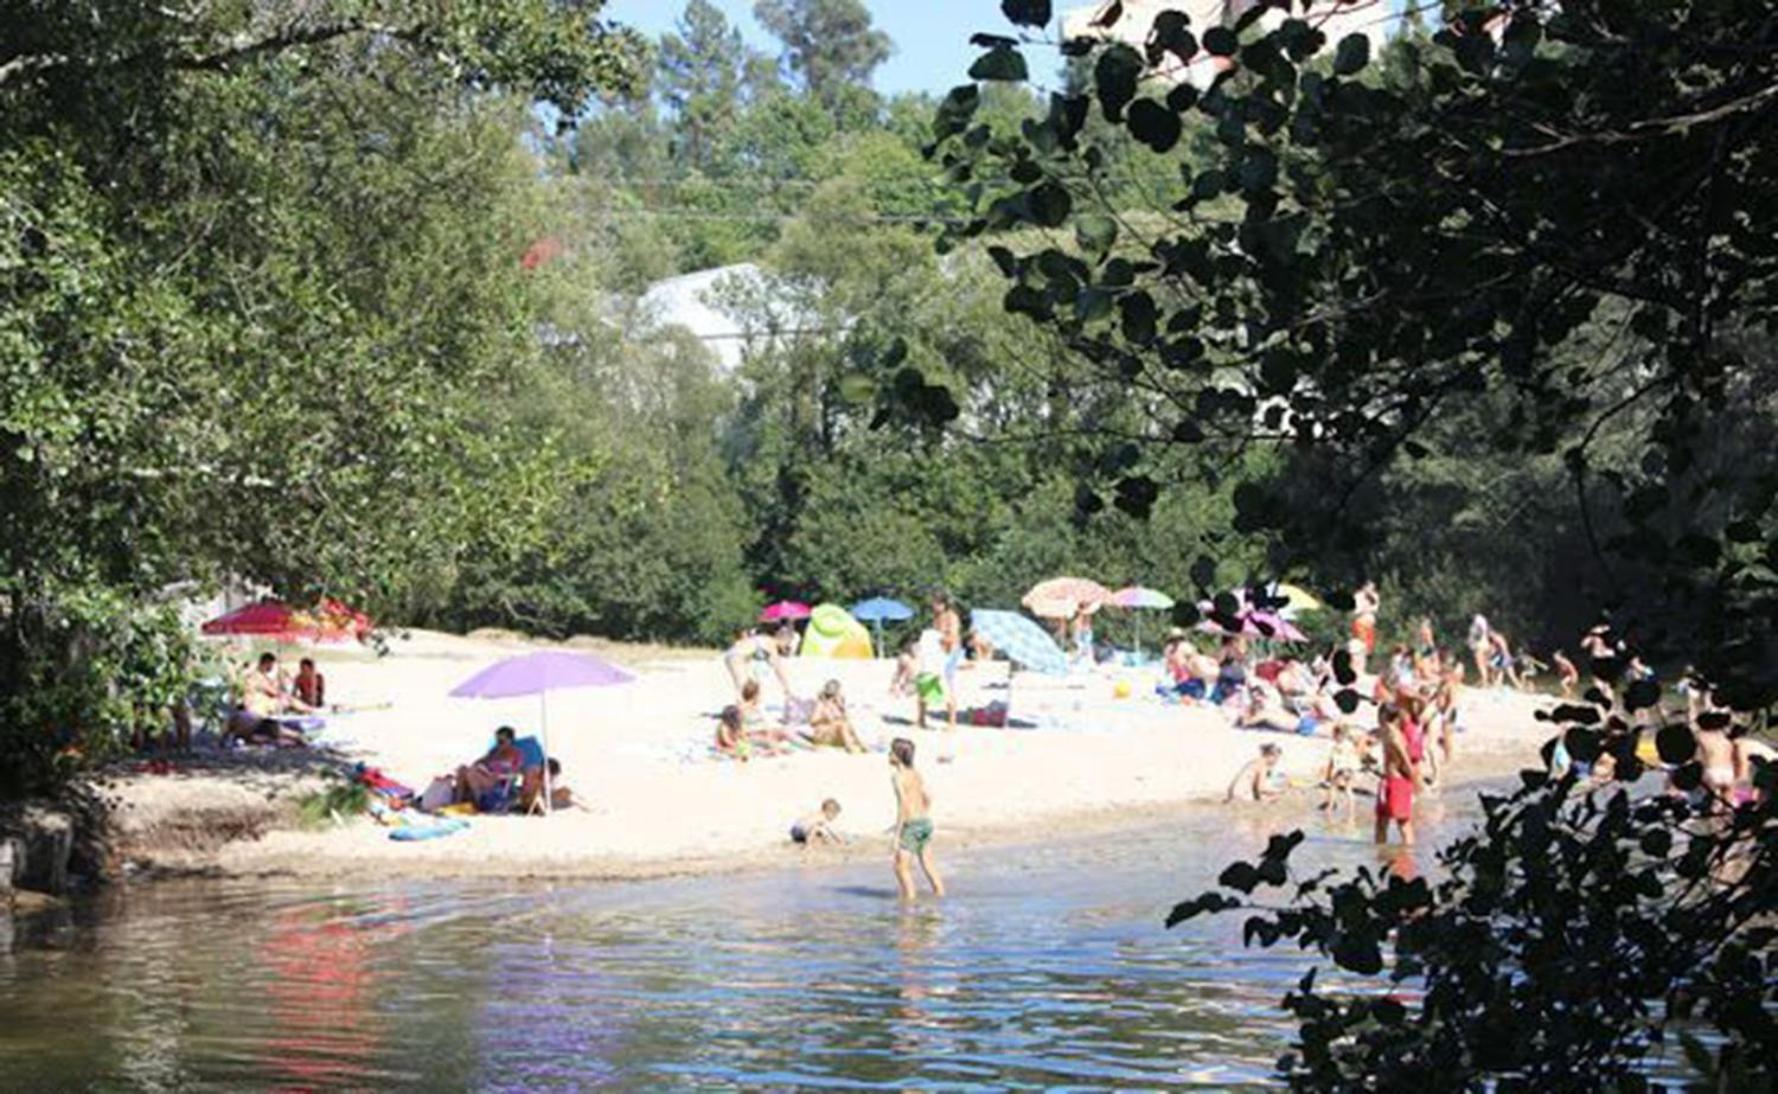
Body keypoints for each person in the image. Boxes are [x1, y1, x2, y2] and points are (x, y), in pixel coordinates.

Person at [889, 737, 944, 899]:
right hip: (924, 822)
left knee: (901, 867)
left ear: (897, 756)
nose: (888, 755)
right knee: (928, 863)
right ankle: (940, 894)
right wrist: (922, 812)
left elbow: (903, 805)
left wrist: (897, 834)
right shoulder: (916, 773)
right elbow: (928, 796)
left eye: (891, 752)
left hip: (911, 824)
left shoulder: (898, 777)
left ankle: (909, 903)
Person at [1374, 703, 1421, 846]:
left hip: (1397, 781)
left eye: (1379, 714)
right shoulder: (1386, 731)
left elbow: (1405, 758)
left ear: (1384, 715)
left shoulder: (1394, 734)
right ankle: (1380, 856)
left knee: (1403, 822)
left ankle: (1408, 857)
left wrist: (1415, 781)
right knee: (1381, 821)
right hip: (1388, 780)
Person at [723, 626, 798, 705]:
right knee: (743, 687)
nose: (786, 647)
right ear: (784, 640)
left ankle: (749, 707)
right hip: (737, 657)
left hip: (733, 655)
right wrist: (787, 688)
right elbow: (778, 668)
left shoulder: (765, 639)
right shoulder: (771, 643)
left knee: (748, 686)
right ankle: (741, 710)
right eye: (787, 644)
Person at [455, 726, 525, 806]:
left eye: (501, 741)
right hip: (487, 776)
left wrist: (499, 775)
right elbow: (481, 761)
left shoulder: (516, 754)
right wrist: (479, 765)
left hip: (499, 782)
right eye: (497, 741)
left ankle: (478, 803)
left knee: (472, 774)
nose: (499, 744)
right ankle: (458, 802)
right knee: (462, 769)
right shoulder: (495, 751)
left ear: (510, 740)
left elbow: (515, 774)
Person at [930, 592, 963, 730]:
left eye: (936, 603)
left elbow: (953, 637)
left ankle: (952, 722)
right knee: (937, 685)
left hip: (951, 653)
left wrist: (938, 638)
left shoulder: (951, 617)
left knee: (949, 686)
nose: (933, 606)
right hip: (941, 652)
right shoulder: (937, 617)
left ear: (943, 604)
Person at [806, 679, 865, 753]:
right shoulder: (821, 704)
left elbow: (846, 722)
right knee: (841, 725)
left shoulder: (839, 706)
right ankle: (850, 747)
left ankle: (860, 744)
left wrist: (841, 708)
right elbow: (812, 722)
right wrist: (824, 718)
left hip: (834, 735)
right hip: (822, 735)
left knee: (847, 724)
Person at [1320, 725, 1360, 820]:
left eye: (1334, 734)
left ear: (1338, 735)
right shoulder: (1349, 744)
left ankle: (1330, 807)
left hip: (1343, 769)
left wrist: (1332, 773)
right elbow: (1354, 758)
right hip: (1351, 769)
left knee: (1333, 787)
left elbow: (1336, 760)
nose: (1333, 736)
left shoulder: (1338, 745)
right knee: (1348, 790)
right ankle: (1351, 811)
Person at [1350, 581, 1380, 676]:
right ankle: (1355, 667)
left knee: (1367, 646)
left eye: (1373, 588)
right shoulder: (1358, 596)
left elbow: (1375, 608)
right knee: (1359, 644)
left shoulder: (1374, 596)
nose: (1371, 590)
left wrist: (1369, 604)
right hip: (1360, 621)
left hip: (1369, 622)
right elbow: (1355, 610)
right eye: (1369, 588)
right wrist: (1364, 608)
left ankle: (1362, 667)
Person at [1467, 614, 1495, 687]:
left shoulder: (1475, 627)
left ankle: (1485, 682)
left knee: (1481, 665)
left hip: (1479, 646)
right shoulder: (1485, 627)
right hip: (1486, 645)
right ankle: (1490, 681)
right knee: (1486, 664)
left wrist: (1470, 643)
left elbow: (1473, 637)